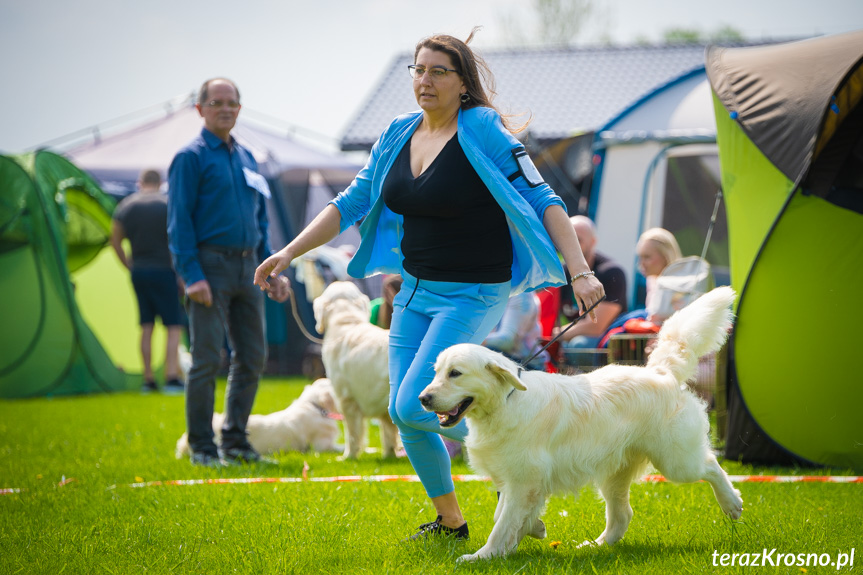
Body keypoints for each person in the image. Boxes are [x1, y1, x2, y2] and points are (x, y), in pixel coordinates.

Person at [254, 30, 604, 541]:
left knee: (412, 405)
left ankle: (524, 463)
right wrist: (288, 252)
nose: (425, 80)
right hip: (415, 291)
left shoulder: (481, 127)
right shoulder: (398, 132)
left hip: (475, 291)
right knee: (407, 407)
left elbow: (544, 198)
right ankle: (453, 520)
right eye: (418, 70)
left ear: (463, 83)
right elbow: (350, 203)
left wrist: (581, 270)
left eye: (439, 71)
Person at [168, 77, 289, 468]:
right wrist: (191, 274)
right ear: (200, 109)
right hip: (209, 267)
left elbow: (260, 221)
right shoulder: (190, 158)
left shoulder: (248, 158)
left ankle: (235, 442)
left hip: (249, 266)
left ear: (239, 108)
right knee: (206, 358)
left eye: (232, 103)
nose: (225, 108)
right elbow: (178, 223)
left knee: (253, 356)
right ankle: (202, 447)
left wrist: (271, 267)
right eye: (216, 102)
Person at [110, 169, 185, 394]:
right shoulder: (167, 205)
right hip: (165, 271)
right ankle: (171, 377)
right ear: (160, 182)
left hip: (140, 272)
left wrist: (129, 265)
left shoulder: (125, 206)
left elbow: (114, 241)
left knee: (146, 326)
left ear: (140, 182)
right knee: (173, 326)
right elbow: (179, 242)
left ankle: (148, 380)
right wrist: (181, 275)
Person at [556, 215, 627, 349]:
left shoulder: (611, 272)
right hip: (574, 334)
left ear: (593, 242)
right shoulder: (561, 271)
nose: (571, 246)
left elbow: (595, 327)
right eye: (567, 240)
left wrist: (553, 335)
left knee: (578, 345)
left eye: (578, 240)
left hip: (609, 340)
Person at [483, 291, 549, 371]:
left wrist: (470, 342)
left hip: (527, 365)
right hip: (506, 358)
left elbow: (507, 341)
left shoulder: (521, 294)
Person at [636, 227, 682, 324]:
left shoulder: (680, 285)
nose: (641, 263)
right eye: (640, 257)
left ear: (665, 256)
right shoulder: (651, 280)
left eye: (647, 257)